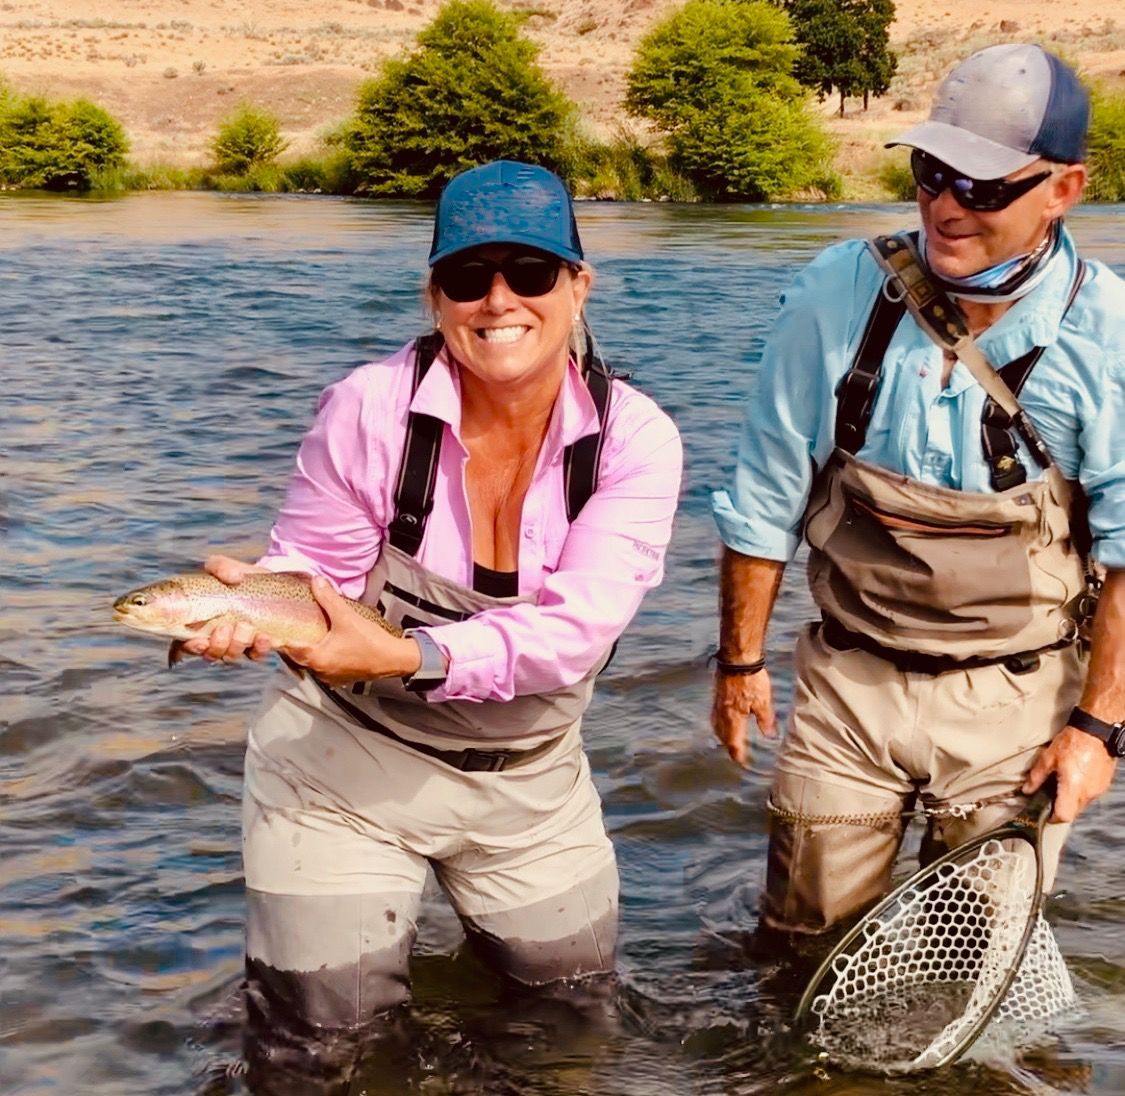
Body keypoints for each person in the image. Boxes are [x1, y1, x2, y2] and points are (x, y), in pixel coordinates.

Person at [181, 161, 682, 1045]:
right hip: (341, 767)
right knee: (317, 1039)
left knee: (573, 1024)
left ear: (578, 286)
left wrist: (413, 656)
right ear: (434, 294)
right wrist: (254, 611)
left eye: (528, 274)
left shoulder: (634, 439)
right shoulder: (367, 409)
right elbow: (313, 577)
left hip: (531, 783)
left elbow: (575, 634)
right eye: (466, 277)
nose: (498, 301)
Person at [710, 44, 1124, 943]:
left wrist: (1095, 731)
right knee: (796, 953)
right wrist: (738, 663)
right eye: (931, 172)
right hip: (847, 686)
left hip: (1016, 700)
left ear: (1062, 189)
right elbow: (763, 493)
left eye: (981, 187)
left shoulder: (1109, 334)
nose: (944, 205)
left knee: (974, 965)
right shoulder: (833, 291)